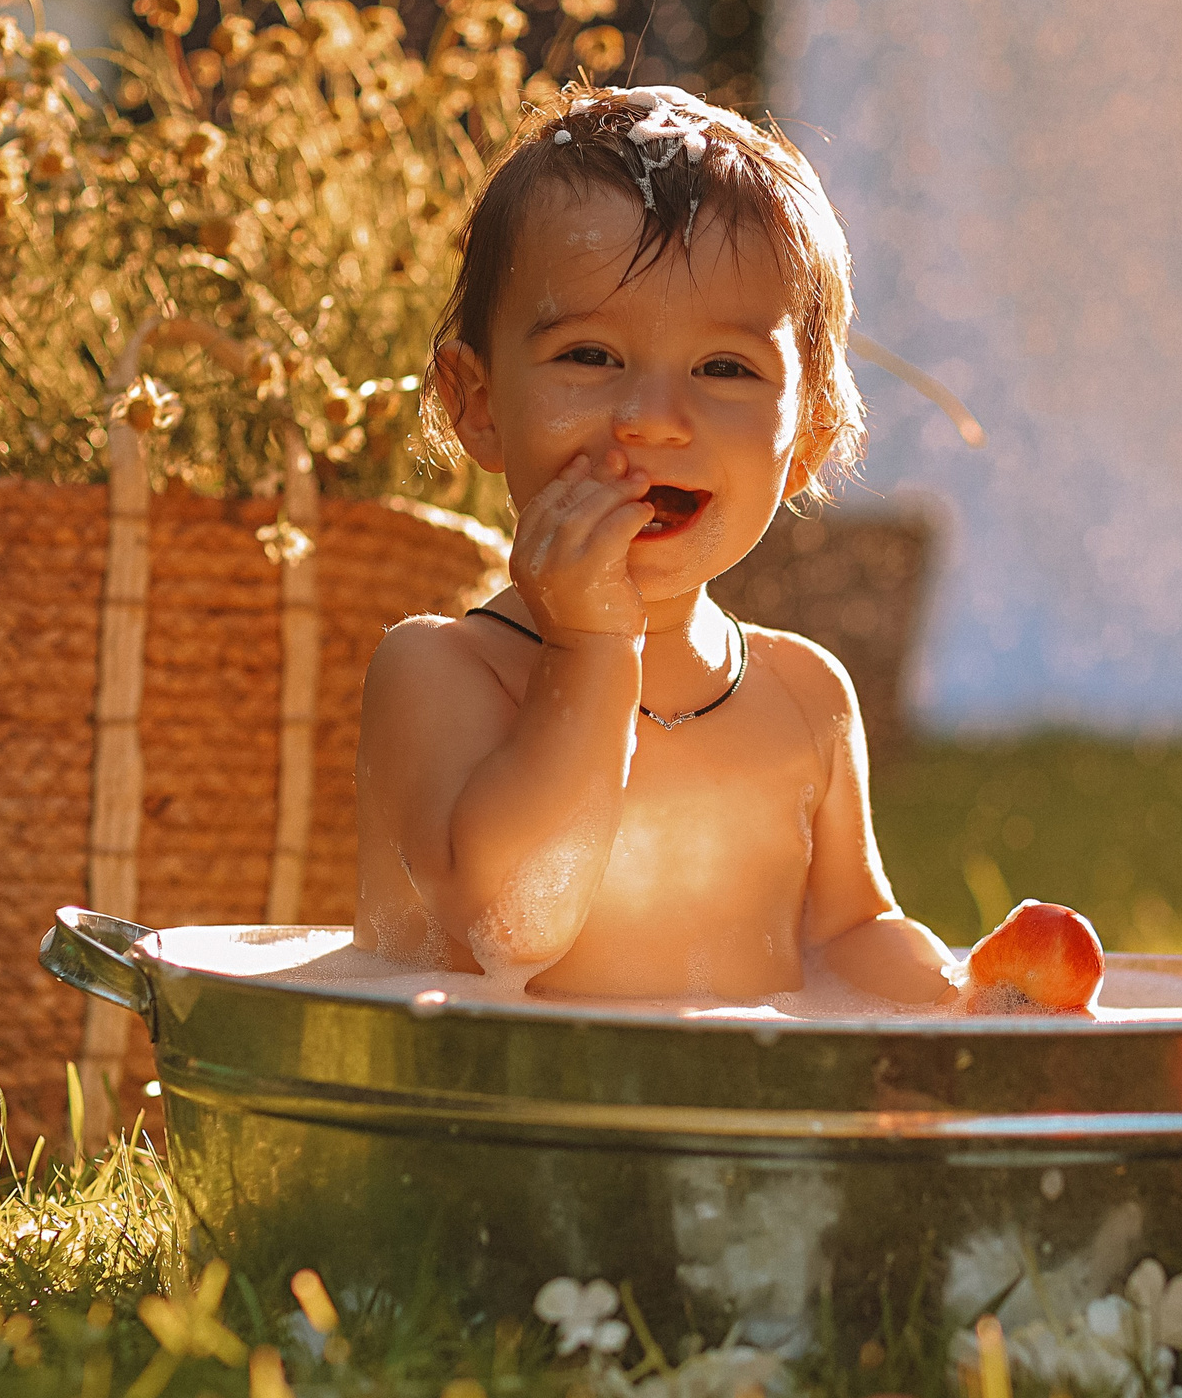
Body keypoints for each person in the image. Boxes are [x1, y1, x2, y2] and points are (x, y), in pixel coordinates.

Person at [353, 84, 956, 1004]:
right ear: (476, 404)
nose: (654, 422)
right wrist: (593, 646)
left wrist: (965, 1002)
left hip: (733, 1142)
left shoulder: (805, 696)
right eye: (590, 356)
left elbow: (847, 938)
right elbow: (510, 928)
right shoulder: (441, 673)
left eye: (725, 368)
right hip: (495, 1135)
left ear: (808, 441)